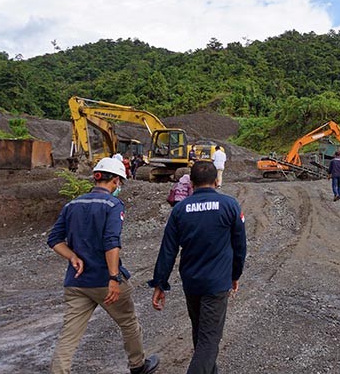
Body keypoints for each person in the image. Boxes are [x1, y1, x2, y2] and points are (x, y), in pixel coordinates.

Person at [46, 157, 159, 374]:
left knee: (69, 334)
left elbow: (54, 239)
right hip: (104, 281)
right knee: (128, 322)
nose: (119, 186)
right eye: (120, 182)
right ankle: (138, 365)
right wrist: (114, 278)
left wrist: (72, 257)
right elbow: (111, 242)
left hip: (77, 281)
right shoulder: (113, 205)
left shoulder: (72, 205)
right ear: (115, 180)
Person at [148, 161, 246, 374]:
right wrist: (235, 274)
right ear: (217, 181)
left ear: (191, 183)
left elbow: (168, 250)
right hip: (217, 283)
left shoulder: (180, 209)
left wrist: (160, 283)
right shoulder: (229, 205)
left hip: (191, 282)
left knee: (200, 334)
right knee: (209, 340)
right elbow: (240, 246)